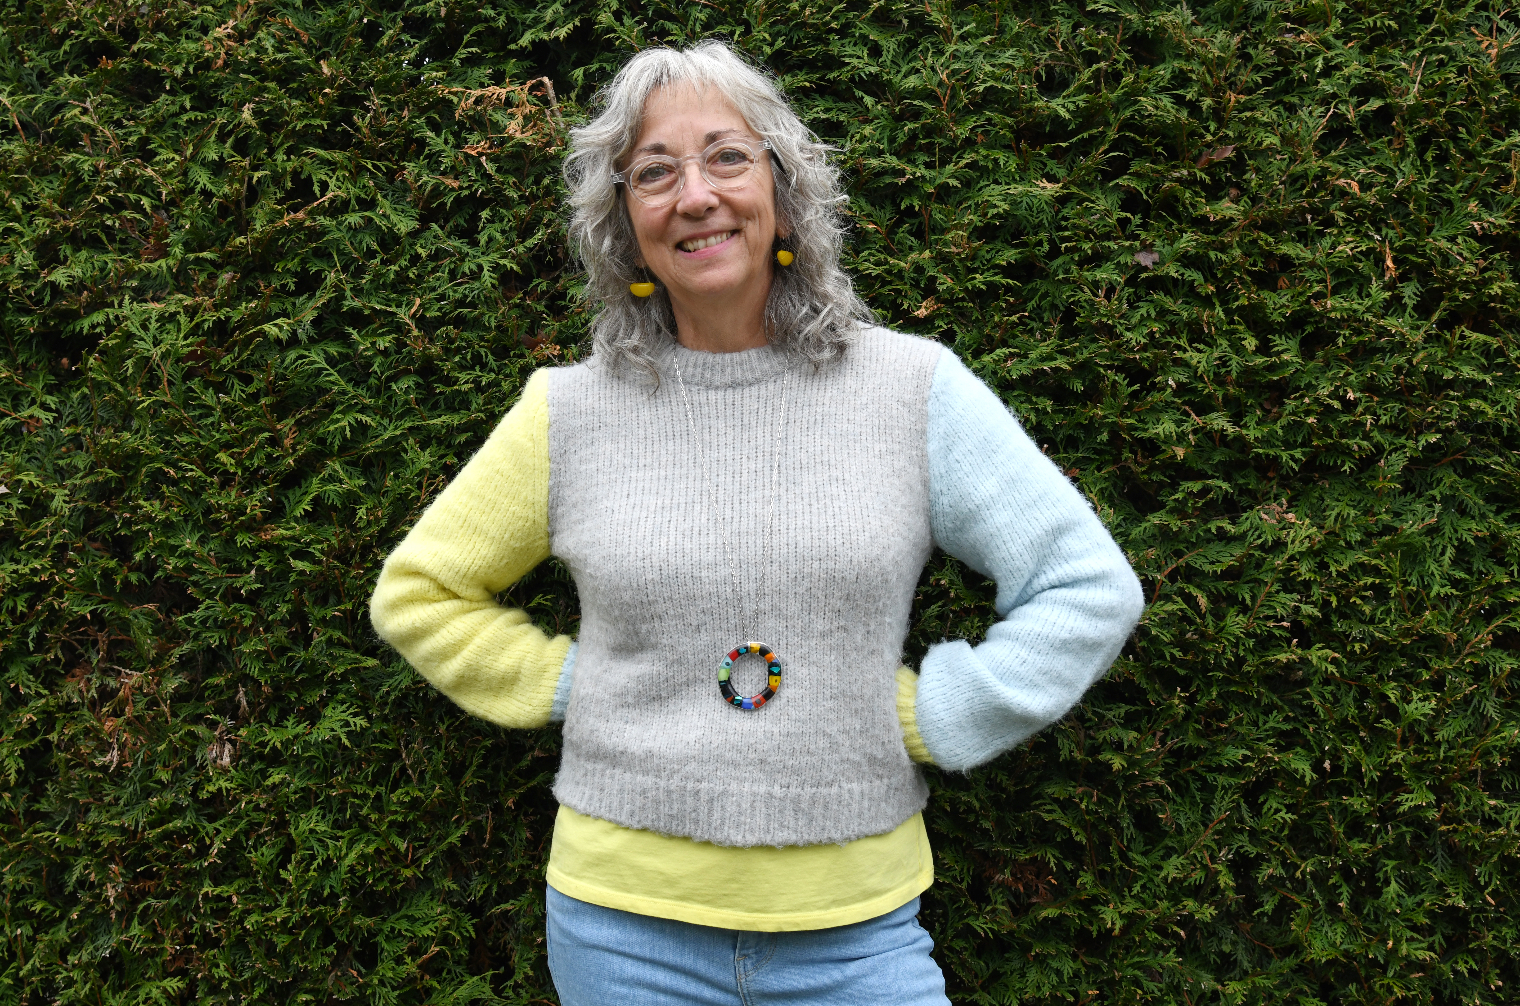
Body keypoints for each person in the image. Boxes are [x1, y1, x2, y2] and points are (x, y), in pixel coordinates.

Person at [370, 40, 1144, 1006]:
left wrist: (942, 712)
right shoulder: (568, 413)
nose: (695, 195)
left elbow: (1087, 586)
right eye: (654, 173)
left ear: (784, 189)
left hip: (856, 934)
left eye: (728, 157)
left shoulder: (911, 391)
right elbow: (420, 592)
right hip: (621, 932)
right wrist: (574, 685)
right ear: (625, 226)